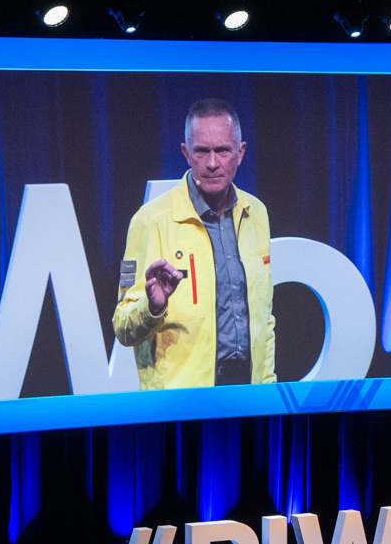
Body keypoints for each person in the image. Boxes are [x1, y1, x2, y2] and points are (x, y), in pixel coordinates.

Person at [111, 98, 276, 389]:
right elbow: (122, 327)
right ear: (187, 154)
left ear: (240, 153)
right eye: (202, 151)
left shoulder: (256, 213)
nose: (212, 163)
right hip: (180, 404)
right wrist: (152, 308)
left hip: (251, 396)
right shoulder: (150, 221)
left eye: (223, 150)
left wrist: (267, 386)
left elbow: (265, 319)